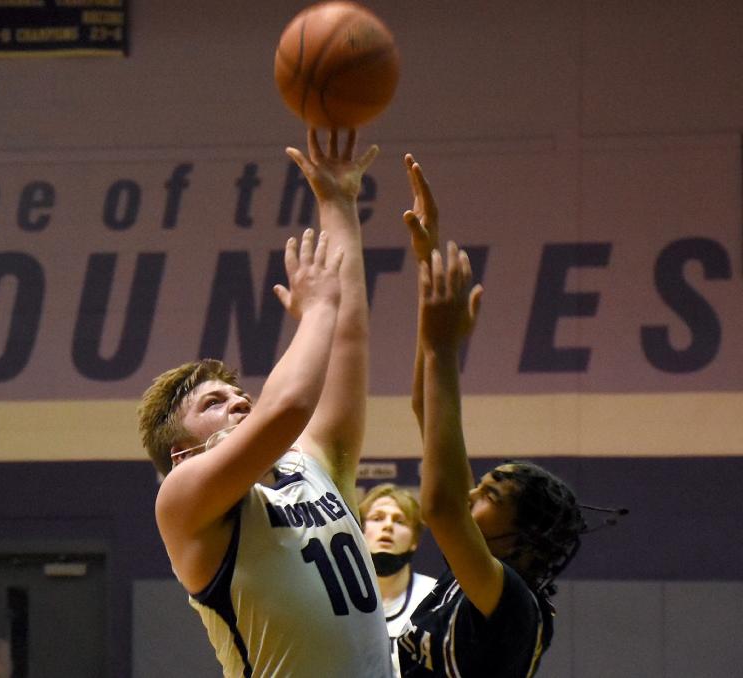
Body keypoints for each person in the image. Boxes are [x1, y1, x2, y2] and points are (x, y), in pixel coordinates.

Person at [138, 130, 392, 677]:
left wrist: (339, 204)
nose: (240, 400)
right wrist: (318, 308)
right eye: (214, 401)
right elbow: (287, 407)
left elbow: (346, 342)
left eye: (239, 393)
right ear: (180, 451)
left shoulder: (313, 463)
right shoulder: (182, 501)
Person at [395, 153, 589, 677]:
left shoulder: (515, 610)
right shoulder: (478, 577)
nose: (474, 491)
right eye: (484, 483)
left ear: (523, 538)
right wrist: (426, 261)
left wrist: (440, 348)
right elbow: (424, 407)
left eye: (491, 495)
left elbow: (439, 506)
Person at [359, 483, 437, 675]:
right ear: (359, 531)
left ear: (414, 541)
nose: (387, 526)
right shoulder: (334, 596)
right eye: (377, 518)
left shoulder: (434, 595)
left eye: (399, 521)